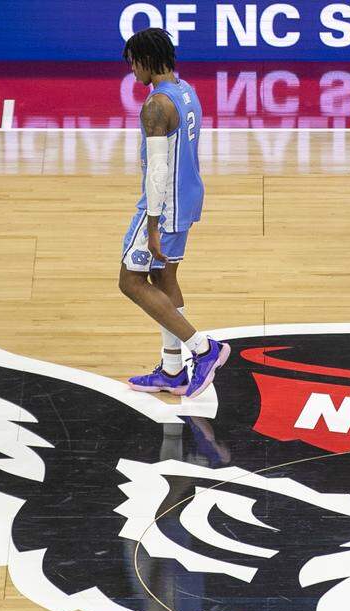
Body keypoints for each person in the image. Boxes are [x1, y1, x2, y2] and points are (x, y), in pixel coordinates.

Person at [118, 28, 229, 397]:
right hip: (188, 198)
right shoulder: (185, 91)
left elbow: (158, 171)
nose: (132, 70)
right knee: (164, 280)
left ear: (148, 59)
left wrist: (151, 225)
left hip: (163, 207)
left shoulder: (155, 106)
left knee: (131, 282)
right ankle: (171, 369)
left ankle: (203, 349)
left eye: (134, 62)